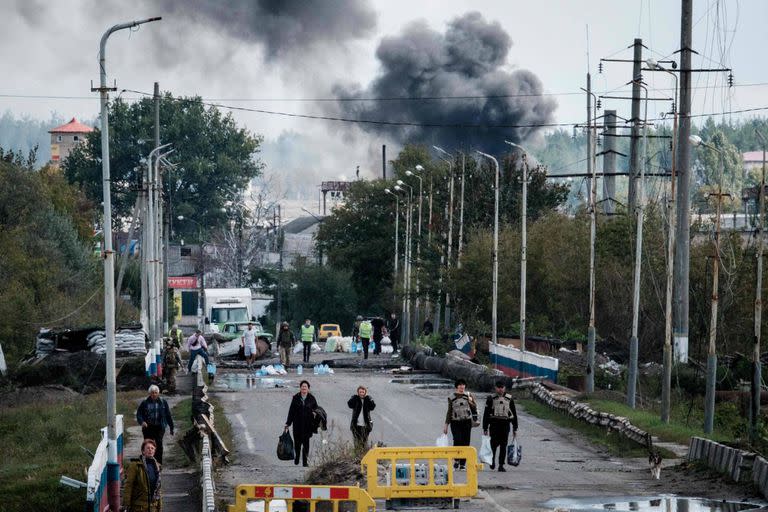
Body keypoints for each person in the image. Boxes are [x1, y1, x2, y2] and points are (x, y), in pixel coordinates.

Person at [482, 380, 518, 472]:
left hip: (505, 425)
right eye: (498, 387)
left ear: (504, 388)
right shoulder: (490, 398)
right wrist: (485, 427)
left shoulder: (509, 399)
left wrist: (515, 427)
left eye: (502, 387)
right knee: (493, 445)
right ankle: (492, 461)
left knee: (503, 446)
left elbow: (514, 413)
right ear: (495, 388)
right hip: (494, 425)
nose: (500, 389)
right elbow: (486, 414)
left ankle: (501, 465)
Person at [443, 378, 477, 470]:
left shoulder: (469, 395)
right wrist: (446, 425)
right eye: (460, 385)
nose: (462, 386)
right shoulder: (451, 397)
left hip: (466, 422)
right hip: (455, 422)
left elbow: (474, 407)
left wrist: (470, 401)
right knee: (457, 440)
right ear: (457, 386)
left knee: (466, 442)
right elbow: (449, 411)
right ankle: (456, 460)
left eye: (463, 385)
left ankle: (462, 464)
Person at [136, 385, 174, 464]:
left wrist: (171, 427)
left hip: (159, 426)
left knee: (159, 443)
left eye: (156, 393)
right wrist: (142, 422)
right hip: (148, 427)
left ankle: (158, 463)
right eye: (152, 393)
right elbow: (139, 414)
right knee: (147, 444)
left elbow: (168, 415)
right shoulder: (145, 402)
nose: (154, 394)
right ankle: (148, 461)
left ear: (158, 393)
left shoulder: (163, 402)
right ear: (149, 393)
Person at [284, 380, 318, 467]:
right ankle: (297, 457)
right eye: (302, 386)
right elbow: (291, 411)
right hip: (297, 425)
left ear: (308, 389)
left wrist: (315, 415)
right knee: (297, 444)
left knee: (306, 444)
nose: (304, 388)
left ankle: (305, 462)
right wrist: (288, 423)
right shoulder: (295, 398)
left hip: (308, 425)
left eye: (305, 387)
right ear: (300, 388)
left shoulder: (312, 398)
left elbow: (317, 410)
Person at [122, 438, 162, 512]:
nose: (150, 450)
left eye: (152, 448)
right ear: (143, 451)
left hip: (153, 507)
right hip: (139, 507)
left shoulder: (157, 466)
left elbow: (158, 489)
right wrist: (126, 504)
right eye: (148, 448)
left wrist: (159, 507)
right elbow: (128, 485)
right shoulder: (135, 465)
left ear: (154, 451)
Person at [348, 385, 376, 451]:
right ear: (358, 392)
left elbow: (372, 407)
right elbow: (349, 404)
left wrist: (369, 398)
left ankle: (363, 455)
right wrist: (354, 397)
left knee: (364, 443)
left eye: (363, 392)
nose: (361, 394)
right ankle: (357, 456)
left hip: (366, 425)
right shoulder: (356, 399)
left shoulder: (368, 399)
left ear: (365, 392)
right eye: (360, 392)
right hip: (356, 425)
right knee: (357, 442)